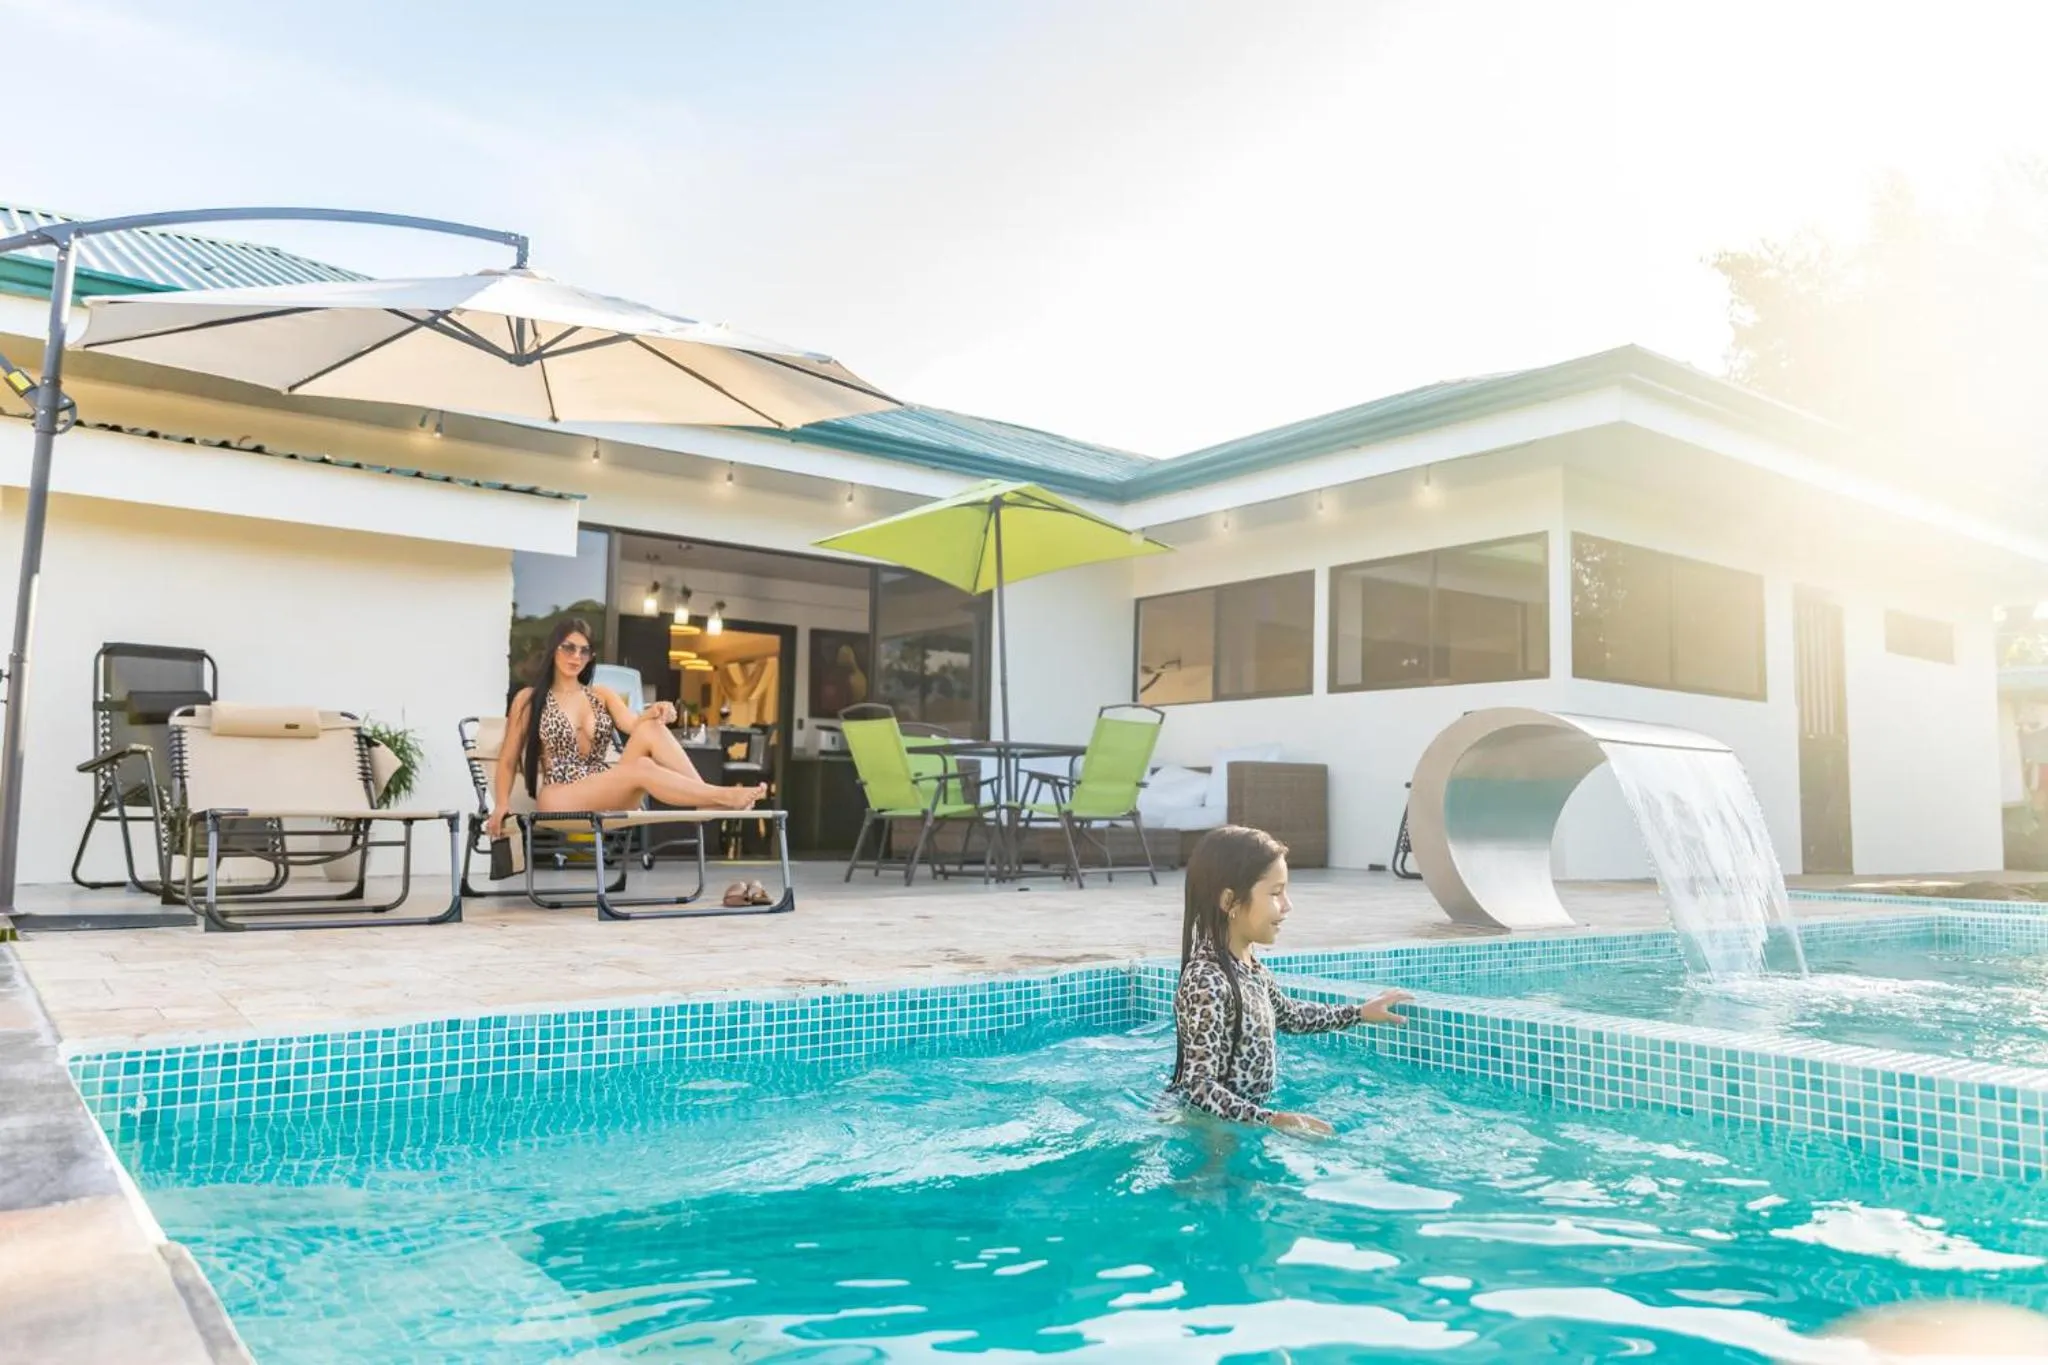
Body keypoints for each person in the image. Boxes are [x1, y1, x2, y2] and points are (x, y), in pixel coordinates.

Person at [1169, 825, 1411, 1137]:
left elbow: (1290, 1015)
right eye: (1275, 893)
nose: (1287, 905)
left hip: (1241, 1122)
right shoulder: (1207, 980)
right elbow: (1198, 1089)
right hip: (1210, 1133)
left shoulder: (1249, 967)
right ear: (1230, 901)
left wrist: (1359, 1013)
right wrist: (1274, 1121)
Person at [485, 618, 765, 841]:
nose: (576, 656)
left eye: (584, 651)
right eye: (568, 648)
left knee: (651, 728)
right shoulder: (529, 698)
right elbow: (508, 760)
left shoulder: (601, 695)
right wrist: (501, 805)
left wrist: (656, 711)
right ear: (554, 649)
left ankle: (705, 798)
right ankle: (718, 795)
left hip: (607, 790)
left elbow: (634, 725)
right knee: (642, 766)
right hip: (561, 795)